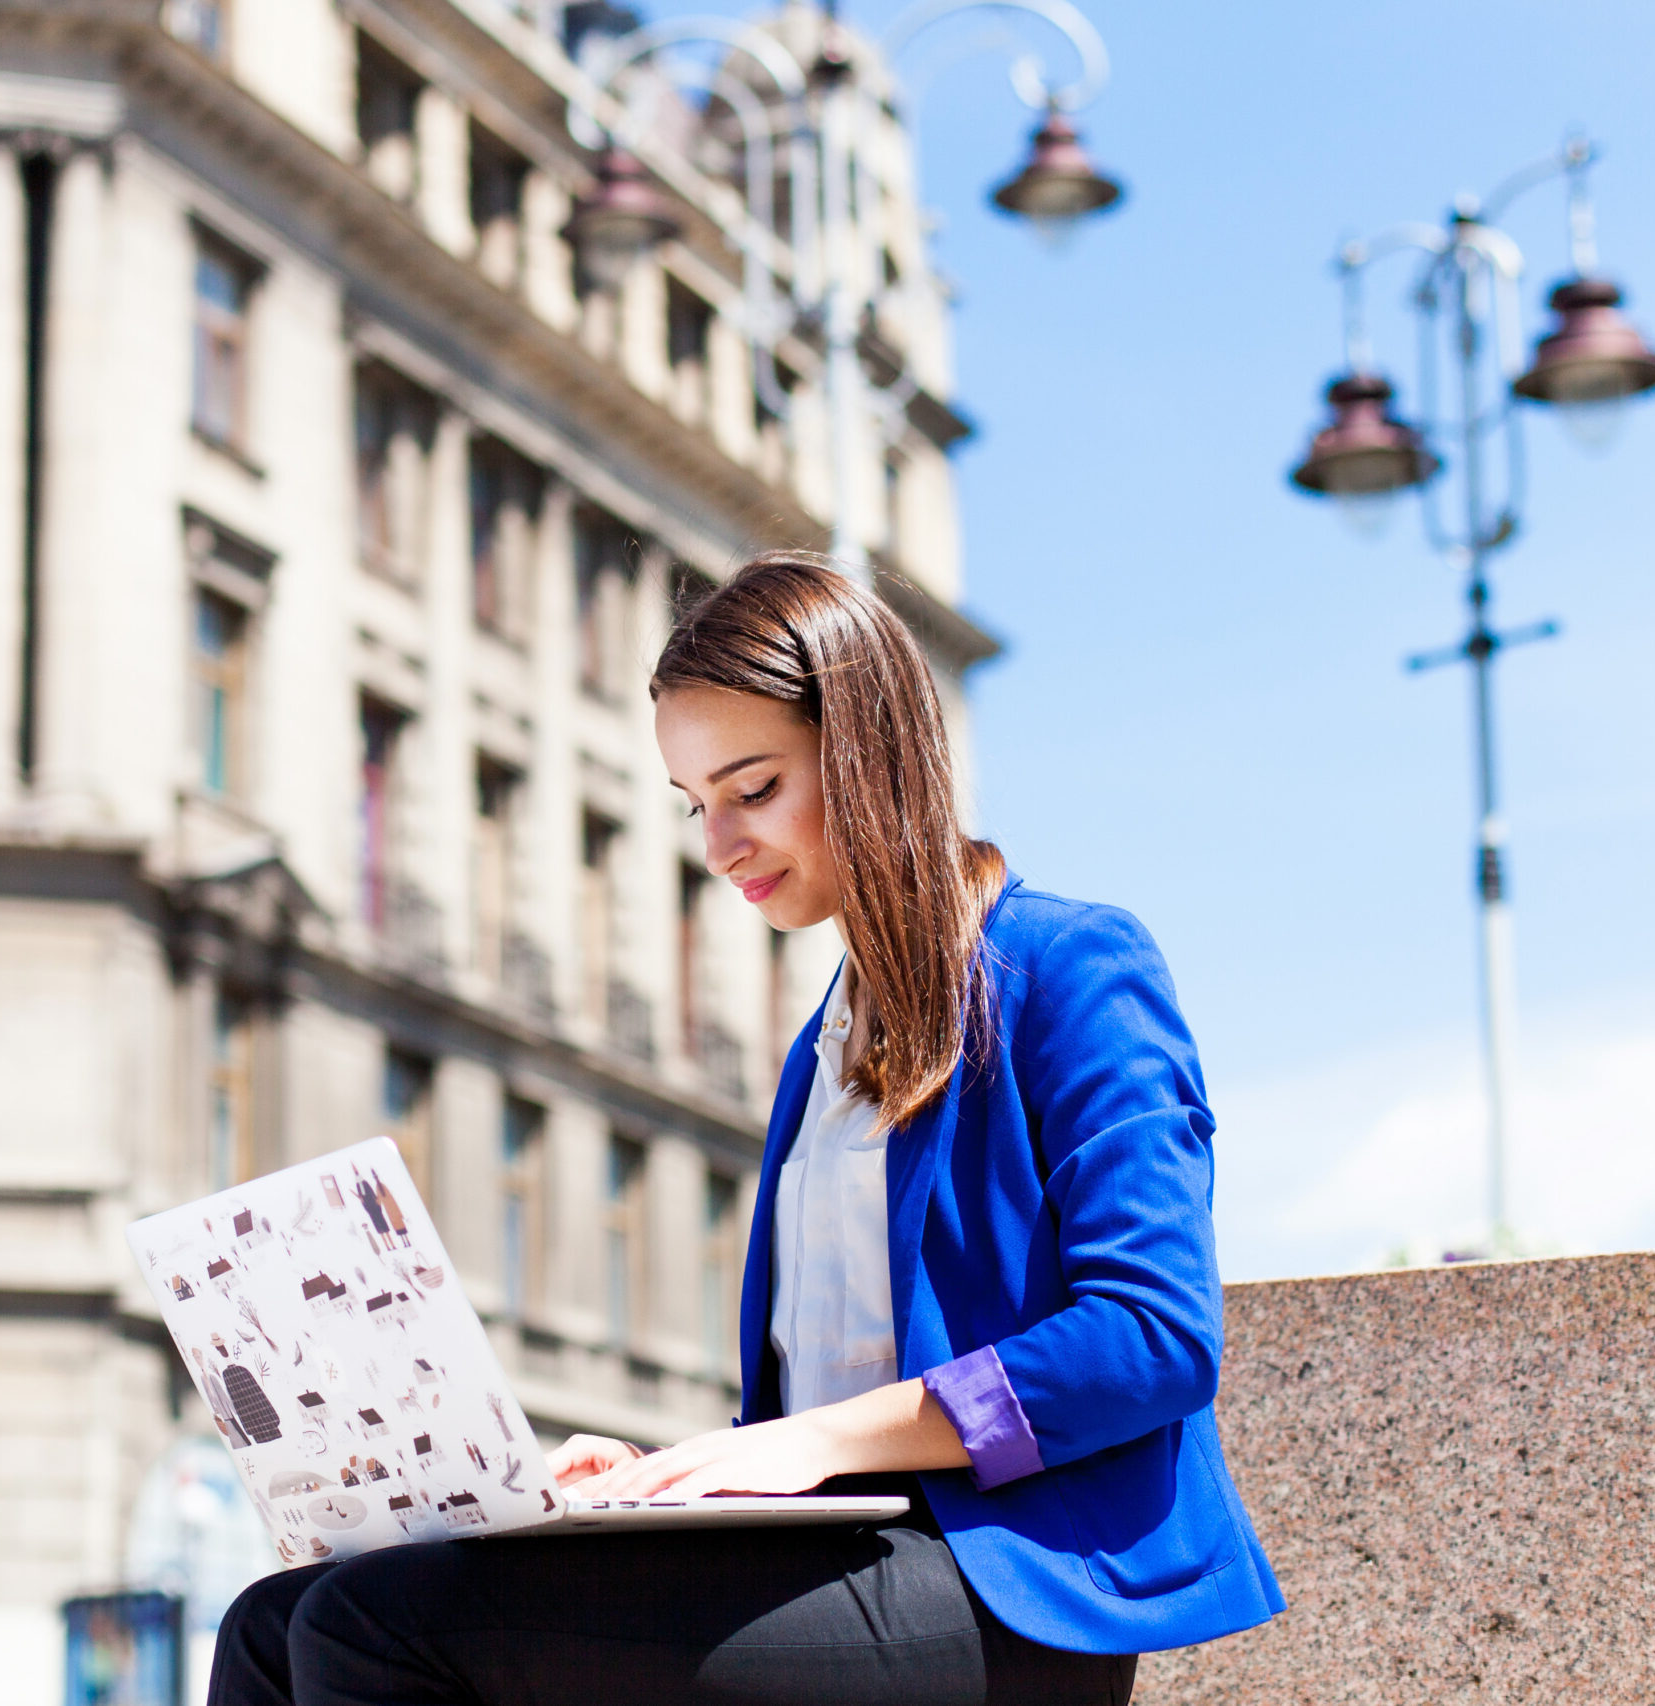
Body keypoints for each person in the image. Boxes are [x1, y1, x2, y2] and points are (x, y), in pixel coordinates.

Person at [208, 554, 1283, 1705]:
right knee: (272, 1623)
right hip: (838, 1556)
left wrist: (809, 1442)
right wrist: (660, 1478)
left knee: (381, 1623)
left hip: (1013, 1582)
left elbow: (1156, 1336)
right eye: (694, 805)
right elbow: (808, 1395)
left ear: (865, 749)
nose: (717, 845)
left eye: (751, 788)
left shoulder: (1072, 966)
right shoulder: (819, 1050)